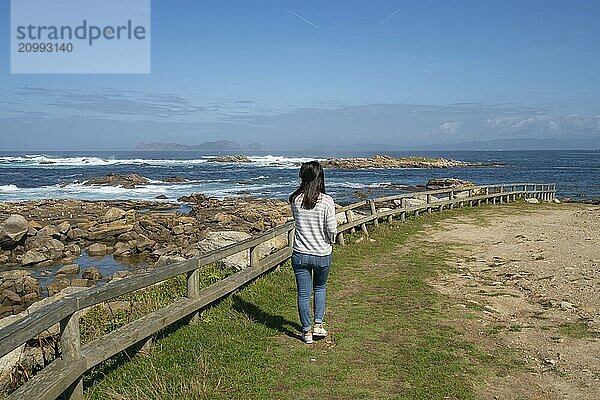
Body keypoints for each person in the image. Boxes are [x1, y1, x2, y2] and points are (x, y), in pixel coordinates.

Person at [289, 161, 337, 344]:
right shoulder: (326, 201)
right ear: (320, 177)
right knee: (320, 288)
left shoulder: (295, 199)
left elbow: (299, 223)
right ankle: (318, 325)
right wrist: (330, 241)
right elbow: (331, 229)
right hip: (321, 252)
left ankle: (306, 332)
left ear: (303, 177)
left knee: (303, 293)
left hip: (300, 253)